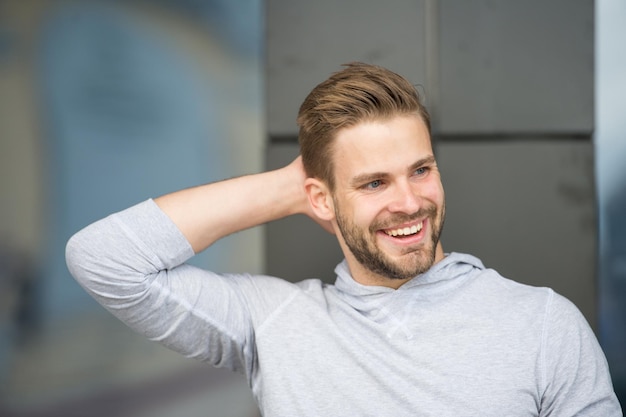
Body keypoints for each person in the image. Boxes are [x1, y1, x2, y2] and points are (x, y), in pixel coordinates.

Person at [66, 62, 622, 416]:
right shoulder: (274, 322)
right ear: (320, 200)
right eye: (374, 182)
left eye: (420, 170)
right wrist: (294, 185)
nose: (409, 201)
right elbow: (105, 261)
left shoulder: (544, 324)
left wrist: (342, 182)